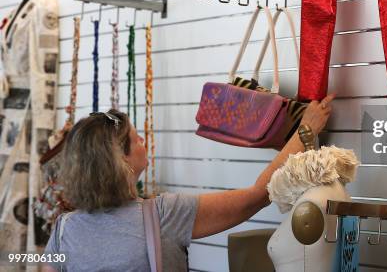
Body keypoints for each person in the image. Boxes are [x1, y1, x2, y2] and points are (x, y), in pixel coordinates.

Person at [43, 94, 336, 272]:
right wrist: (306, 130)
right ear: (120, 162)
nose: (143, 142)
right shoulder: (163, 215)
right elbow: (257, 195)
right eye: (136, 139)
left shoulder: (64, 229)